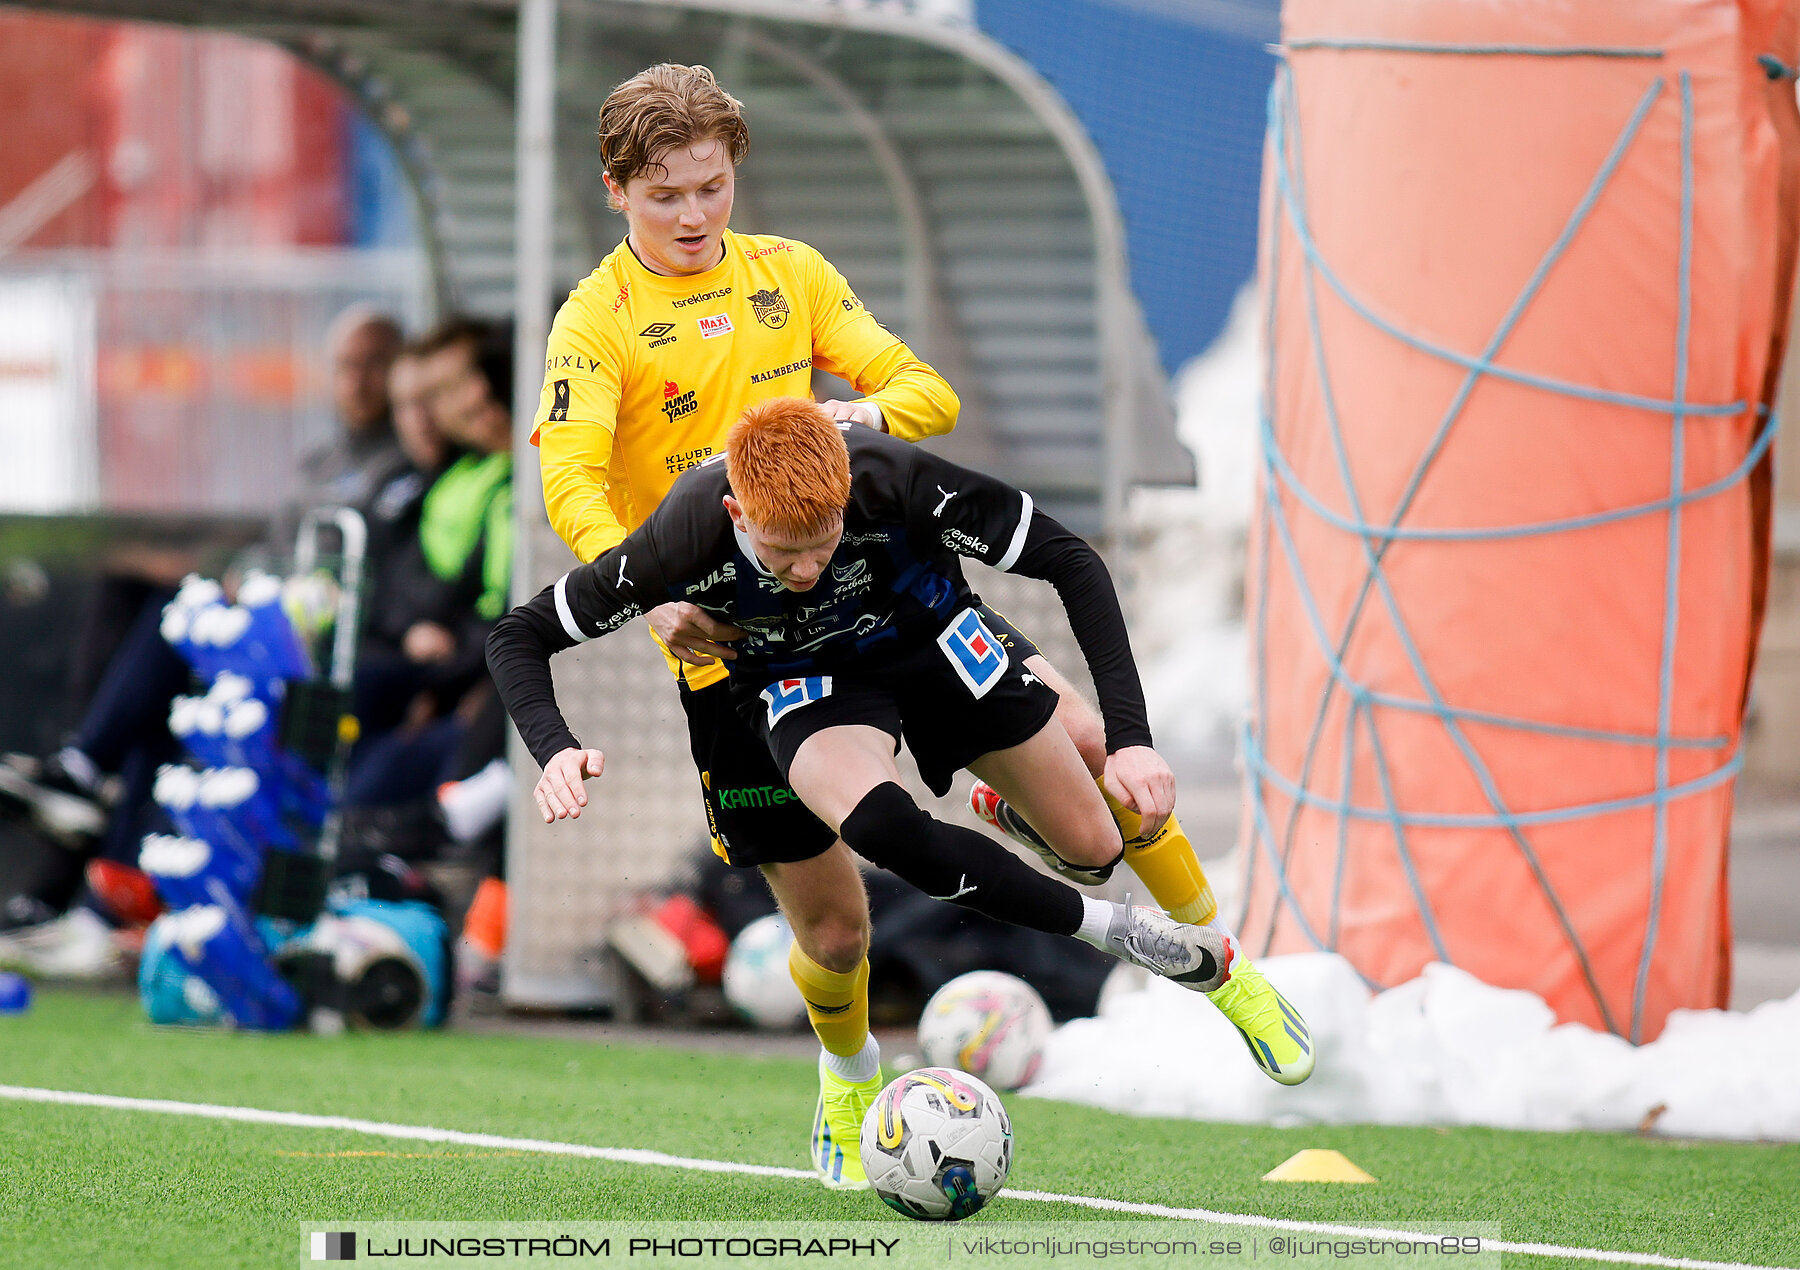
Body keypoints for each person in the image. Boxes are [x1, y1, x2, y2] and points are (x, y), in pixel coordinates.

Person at [529, 60, 1233, 1150]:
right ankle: (849, 1081)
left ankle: (1181, 931)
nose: (692, 214)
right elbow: (568, 477)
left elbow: (924, 392)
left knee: (1092, 771)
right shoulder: (594, 323)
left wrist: (840, 428)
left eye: (710, 186)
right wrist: (650, 588)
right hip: (732, 649)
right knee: (838, 927)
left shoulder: (790, 274)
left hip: (869, 594)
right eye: (664, 193)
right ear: (617, 189)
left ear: (734, 175)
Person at [490, 399, 1315, 1190]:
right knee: (845, 920)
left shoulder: (893, 476)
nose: (809, 569)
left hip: (930, 639)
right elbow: (519, 634)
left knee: (1100, 836)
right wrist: (555, 749)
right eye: (784, 554)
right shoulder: (682, 536)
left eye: (824, 542)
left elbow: (1072, 560)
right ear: (739, 513)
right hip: (799, 685)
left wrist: (1136, 736)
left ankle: (1224, 963)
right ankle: (865, 1070)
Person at [0, 307, 410, 977]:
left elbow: (362, 585)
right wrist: (236, 578)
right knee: (154, 653)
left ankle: (82, 782)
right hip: (277, 625)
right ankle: (100, 899)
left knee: (169, 624)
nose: (360, 381)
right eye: (346, 366)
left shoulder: (401, 468)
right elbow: (271, 552)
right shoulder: (322, 461)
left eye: (375, 365)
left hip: (319, 654)